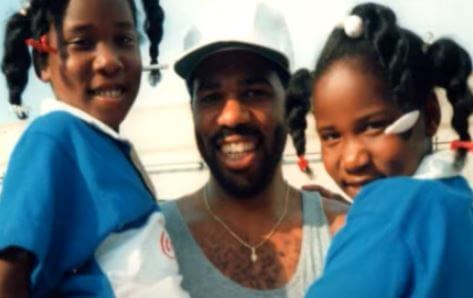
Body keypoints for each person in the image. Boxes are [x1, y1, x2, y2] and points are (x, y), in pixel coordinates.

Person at [0, 0, 189, 297]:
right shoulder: (53, 137)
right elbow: (8, 268)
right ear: (41, 62)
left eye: (125, 39)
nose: (109, 61)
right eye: (83, 43)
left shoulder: (108, 148)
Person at [284, 3, 473, 297]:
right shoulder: (457, 200)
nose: (352, 158)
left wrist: (371, 219)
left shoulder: (387, 211)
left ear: (431, 115)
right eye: (331, 136)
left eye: (373, 126)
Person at [161, 2, 345, 298]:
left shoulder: (345, 234)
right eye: (211, 97)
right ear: (192, 109)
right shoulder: (155, 242)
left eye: (254, 93)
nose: (232, 116)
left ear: (290, 102)